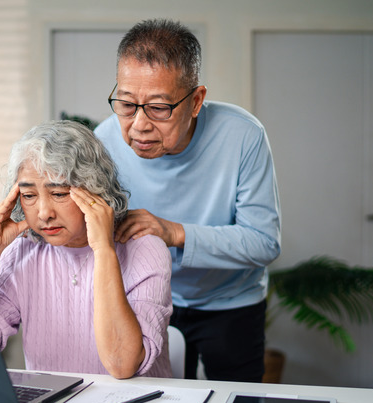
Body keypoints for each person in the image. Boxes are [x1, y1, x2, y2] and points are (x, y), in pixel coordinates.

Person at [94, 19, 281, 383]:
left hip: (230, 303)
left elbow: (264, 242)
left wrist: (173, 232)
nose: (139, 125)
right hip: (145, 298)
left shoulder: (243, 136)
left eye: (159, 108)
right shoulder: (104, 140)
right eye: (127, 104)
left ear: (195, 101)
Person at [0, 120, 173, 379]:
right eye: (28, 196)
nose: (44, 213)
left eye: (59, 193)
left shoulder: (145, 249)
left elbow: (121, 364)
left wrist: (103, 249)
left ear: (95, 189)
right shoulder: (22, 252)